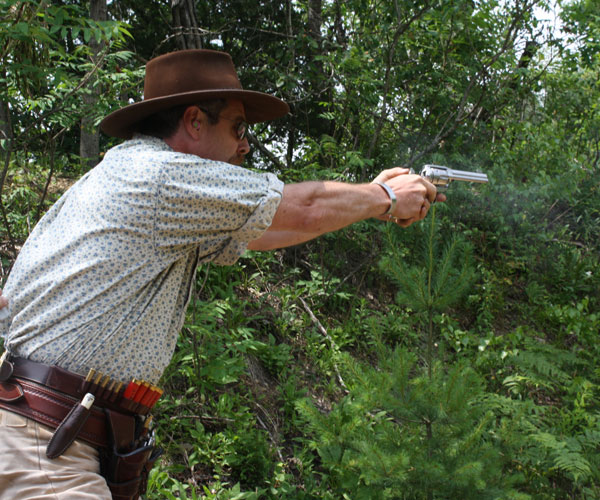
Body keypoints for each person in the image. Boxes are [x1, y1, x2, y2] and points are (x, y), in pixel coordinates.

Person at [0, 49, 444, 499]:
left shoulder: (146, 182)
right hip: (45, 443)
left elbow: (268, 229)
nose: (245, 146)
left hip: (50, 436)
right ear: (194, 122)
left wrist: (372, 200)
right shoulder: (158, 177)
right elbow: (302, 208)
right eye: (238, 128)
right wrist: (384, 196)